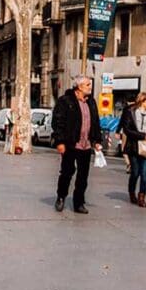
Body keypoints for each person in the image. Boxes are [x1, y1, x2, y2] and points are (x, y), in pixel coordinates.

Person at [51, 74, 102, 214]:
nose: (90, 87)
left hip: (85, 145)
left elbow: (95, 122)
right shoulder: (65, 101)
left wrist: (97, 140)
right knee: (67, 172)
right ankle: (61, 197)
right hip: (70, 143)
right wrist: (59, 142)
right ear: (79, 87)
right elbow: (58, 122)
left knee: (83, 176)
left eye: (90, 84)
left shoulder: (91, 102)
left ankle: (79, 202)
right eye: (87, 85)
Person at [118, 91, 146, 207]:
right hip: (134, 146)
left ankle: (142, 196)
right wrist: (143, 135)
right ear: (142, 101)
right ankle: (132, 192)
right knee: (135, 172)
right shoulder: (130, 112)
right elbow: (127, 129)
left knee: (145, 173)